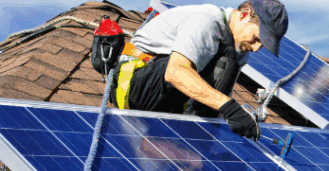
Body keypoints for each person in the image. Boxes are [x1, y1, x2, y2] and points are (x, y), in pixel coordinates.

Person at [110, 0, 288, 141]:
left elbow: (220, 97)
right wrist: (230, 108)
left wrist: (235, 124)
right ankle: (186, 136)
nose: (256, 48)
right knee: (219, 69)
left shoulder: (239, 51)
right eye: (256, 38)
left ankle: (193, 142)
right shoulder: (208, 21)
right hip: (133, 83)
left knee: (227, 68)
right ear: (244, 15)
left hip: (164, 95)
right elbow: (175, 72)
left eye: (261, 45)